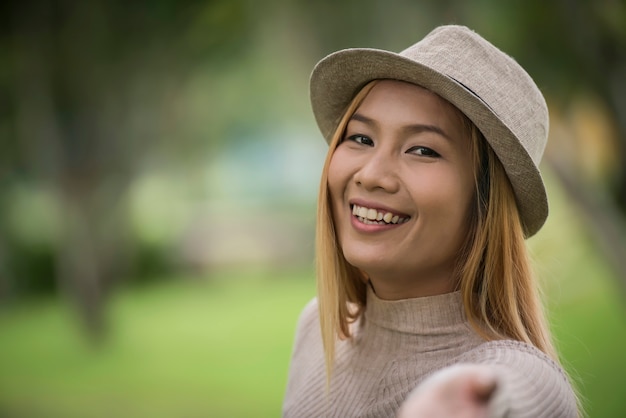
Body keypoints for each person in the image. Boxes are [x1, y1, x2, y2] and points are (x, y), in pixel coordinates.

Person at [282, 25, 579, 418]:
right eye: (361, 139)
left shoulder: (513, 375)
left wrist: (468, 401)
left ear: (485, 206)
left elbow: (520, 392)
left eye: (422, 149)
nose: (371, 175)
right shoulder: (318, 330)